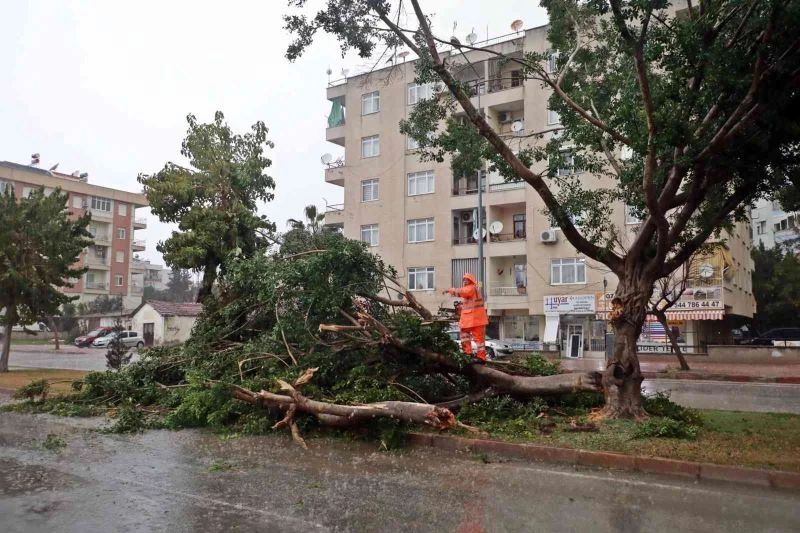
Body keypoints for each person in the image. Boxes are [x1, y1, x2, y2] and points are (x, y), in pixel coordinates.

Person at [443, 272, 488, 363]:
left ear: (471, 280)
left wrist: (449, 290)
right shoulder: (471, 290)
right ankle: (468, 353)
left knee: (478, 339)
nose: (465, 281)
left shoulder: (471, 288)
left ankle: (480, 357)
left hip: (475, 319)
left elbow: (462, 292)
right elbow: (468, 303)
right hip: (471, 319)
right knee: (465, 336)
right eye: (464, 280)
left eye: (467, 279)